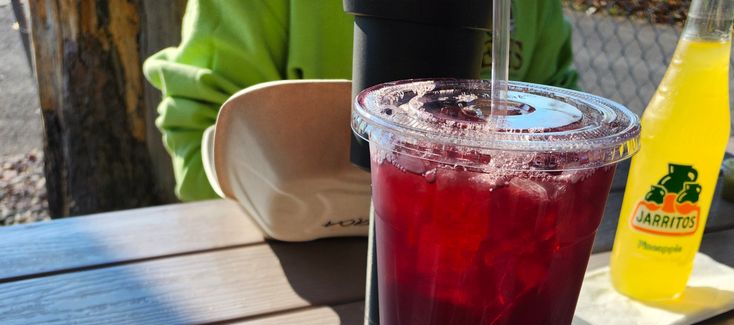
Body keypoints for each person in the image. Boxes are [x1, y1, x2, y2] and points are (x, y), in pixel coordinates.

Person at [145, 0, 580, 202]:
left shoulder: (529, 8)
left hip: (475, 261)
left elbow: (571, 132)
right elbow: (201, 127)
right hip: (287, 268)